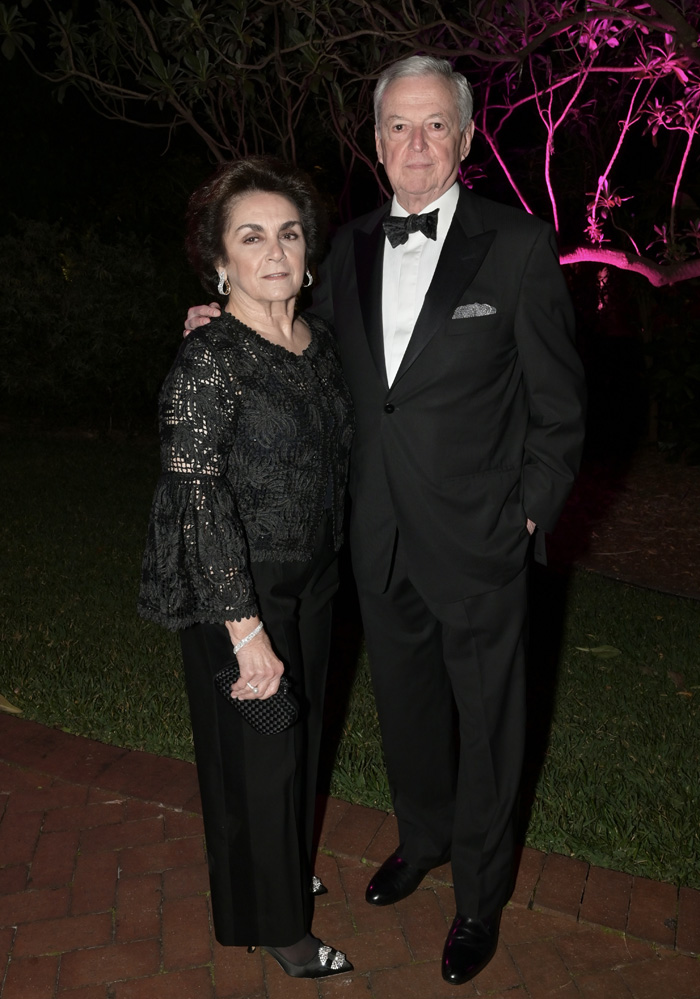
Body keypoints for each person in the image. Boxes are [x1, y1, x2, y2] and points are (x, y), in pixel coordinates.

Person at [185, 56, 586, 986]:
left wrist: (530, 515)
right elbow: (290, 333)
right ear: (374, 142)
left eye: (434, 125)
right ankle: (422, 839)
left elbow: (560, 408)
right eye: (398, 127)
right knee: (405, 708)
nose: (416, 143)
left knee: (490, 723)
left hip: (482, 535)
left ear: (466, 136)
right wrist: (220, 315)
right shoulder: (350, 247)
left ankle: (480, 897)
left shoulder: (520, 247)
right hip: (375, 536)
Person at [139, 157, 354, 980]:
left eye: (289, 233)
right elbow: (194, 496)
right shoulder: (208, 361)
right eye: (252, 236)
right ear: (220, 260)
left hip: (314, 580)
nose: (275, 251)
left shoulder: (315, 345)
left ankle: (282, 866)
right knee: (258, 760)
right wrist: (246, 630)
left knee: (295, 746)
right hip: (241, 592)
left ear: (308, 251)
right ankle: (278, 927)